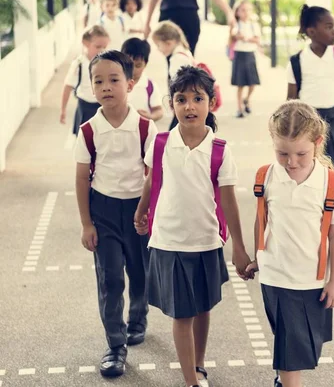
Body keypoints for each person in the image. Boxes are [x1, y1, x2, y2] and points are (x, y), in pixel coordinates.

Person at [133, 66, 252, 387]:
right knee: (182, 315)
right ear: (171, 104)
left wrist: (238, 247)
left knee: (202, 308)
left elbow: (229, 201)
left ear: (211, 103)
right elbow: (151, 180)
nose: (189, 106)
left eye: (197, 98)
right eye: (181, 99)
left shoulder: (220, 150)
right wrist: (142, 211)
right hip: (169, 242)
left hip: (206, 242)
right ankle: (190, 381)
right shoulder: (159, 143)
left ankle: (198, 365)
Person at [245, 100, 334, 387]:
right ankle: (285, 379)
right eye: (283, 153)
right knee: (288, 341)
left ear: (317, 143)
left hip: (309, 281)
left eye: (301, 154)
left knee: (297, 346)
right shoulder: (267, 176)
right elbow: (261, 219)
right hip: (274, 276)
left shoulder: (330, 183)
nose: (291, 162)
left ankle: (284, 379)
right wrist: (257, 256)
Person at [74, 51, 158, 378]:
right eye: (98, 81)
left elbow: (154, 174)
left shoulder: (145, 128)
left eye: (114, 80)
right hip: (104, 211)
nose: (106, 87)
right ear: (92, 88)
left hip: (139, 210)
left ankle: (138, 317)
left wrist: (149, 212)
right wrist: (86, 223)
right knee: (110, 280)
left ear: (130, 84)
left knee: (141, 274)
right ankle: (115, 345)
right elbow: (82, 177)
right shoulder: (88, 131)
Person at [286, 4, 334, 253]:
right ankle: (309, 230)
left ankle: (333, 232)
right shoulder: (297, 61)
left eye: (333, 26)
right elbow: (291, 103)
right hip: (308, 126)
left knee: (333, 179)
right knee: (306, 177)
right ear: (311, 30)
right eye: (328, 27)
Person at [143, 0, 236, 56]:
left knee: (188, 56)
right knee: (170, 57)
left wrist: (229, 12)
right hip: (168, 19)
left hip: (189, 18)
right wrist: (147, 23)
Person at [60, 25, 109, 134]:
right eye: (98, 46)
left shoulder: (107, 62)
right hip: (84, 107)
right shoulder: (79, 64)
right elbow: (68, 86)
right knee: (84, 140)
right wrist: (63, 110)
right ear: (86, 43)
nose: (101, 50)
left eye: (104, 47)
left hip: (103, 107)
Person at [152, 21, 195, 129]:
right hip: (188, 102)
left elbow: (180, 85)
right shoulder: (184, 52)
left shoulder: (177, 58)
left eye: (158, 45)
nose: (158, 49)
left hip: (184, 104)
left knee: (173, 136)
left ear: (169, 43)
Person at [230, 0, 261, 119]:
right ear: (237, 12)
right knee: (240, 84)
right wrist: (237, 36)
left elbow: (257, 39)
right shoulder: (236, 25)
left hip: (250, 54)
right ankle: (239, 108)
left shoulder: (254, 25)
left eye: (248, 10)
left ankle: (246, 99)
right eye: (243, 10)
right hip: (239, 55)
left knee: (252, 83)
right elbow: (233, 35)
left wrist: (247, 38)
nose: (246, 13)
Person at [121, 38, 164, 121]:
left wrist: (151, 117)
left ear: (145, 64)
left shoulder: (149, 86)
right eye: (128, 64)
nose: (133, 70)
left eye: (138, 66)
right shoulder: (115, 82)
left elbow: (158, 110)